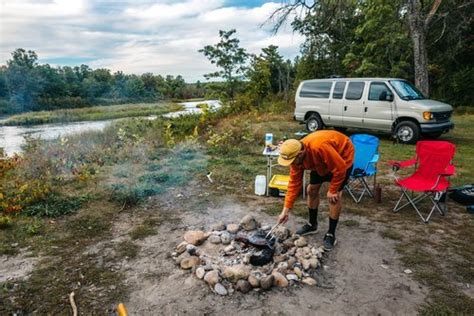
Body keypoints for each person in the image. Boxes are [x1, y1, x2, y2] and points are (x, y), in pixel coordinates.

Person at [277, 130, 354, 251]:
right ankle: (312, 224)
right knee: (311, 190)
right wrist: (285, 210)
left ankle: (331, 234)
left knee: (334, 197)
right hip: (319, 162)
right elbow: (294, 184)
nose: (291, 164)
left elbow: (340, 169)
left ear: (301, 153)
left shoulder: (319, 147)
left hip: (341, 157)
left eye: (292, 161)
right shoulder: (295, 156)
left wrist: (333, 190)